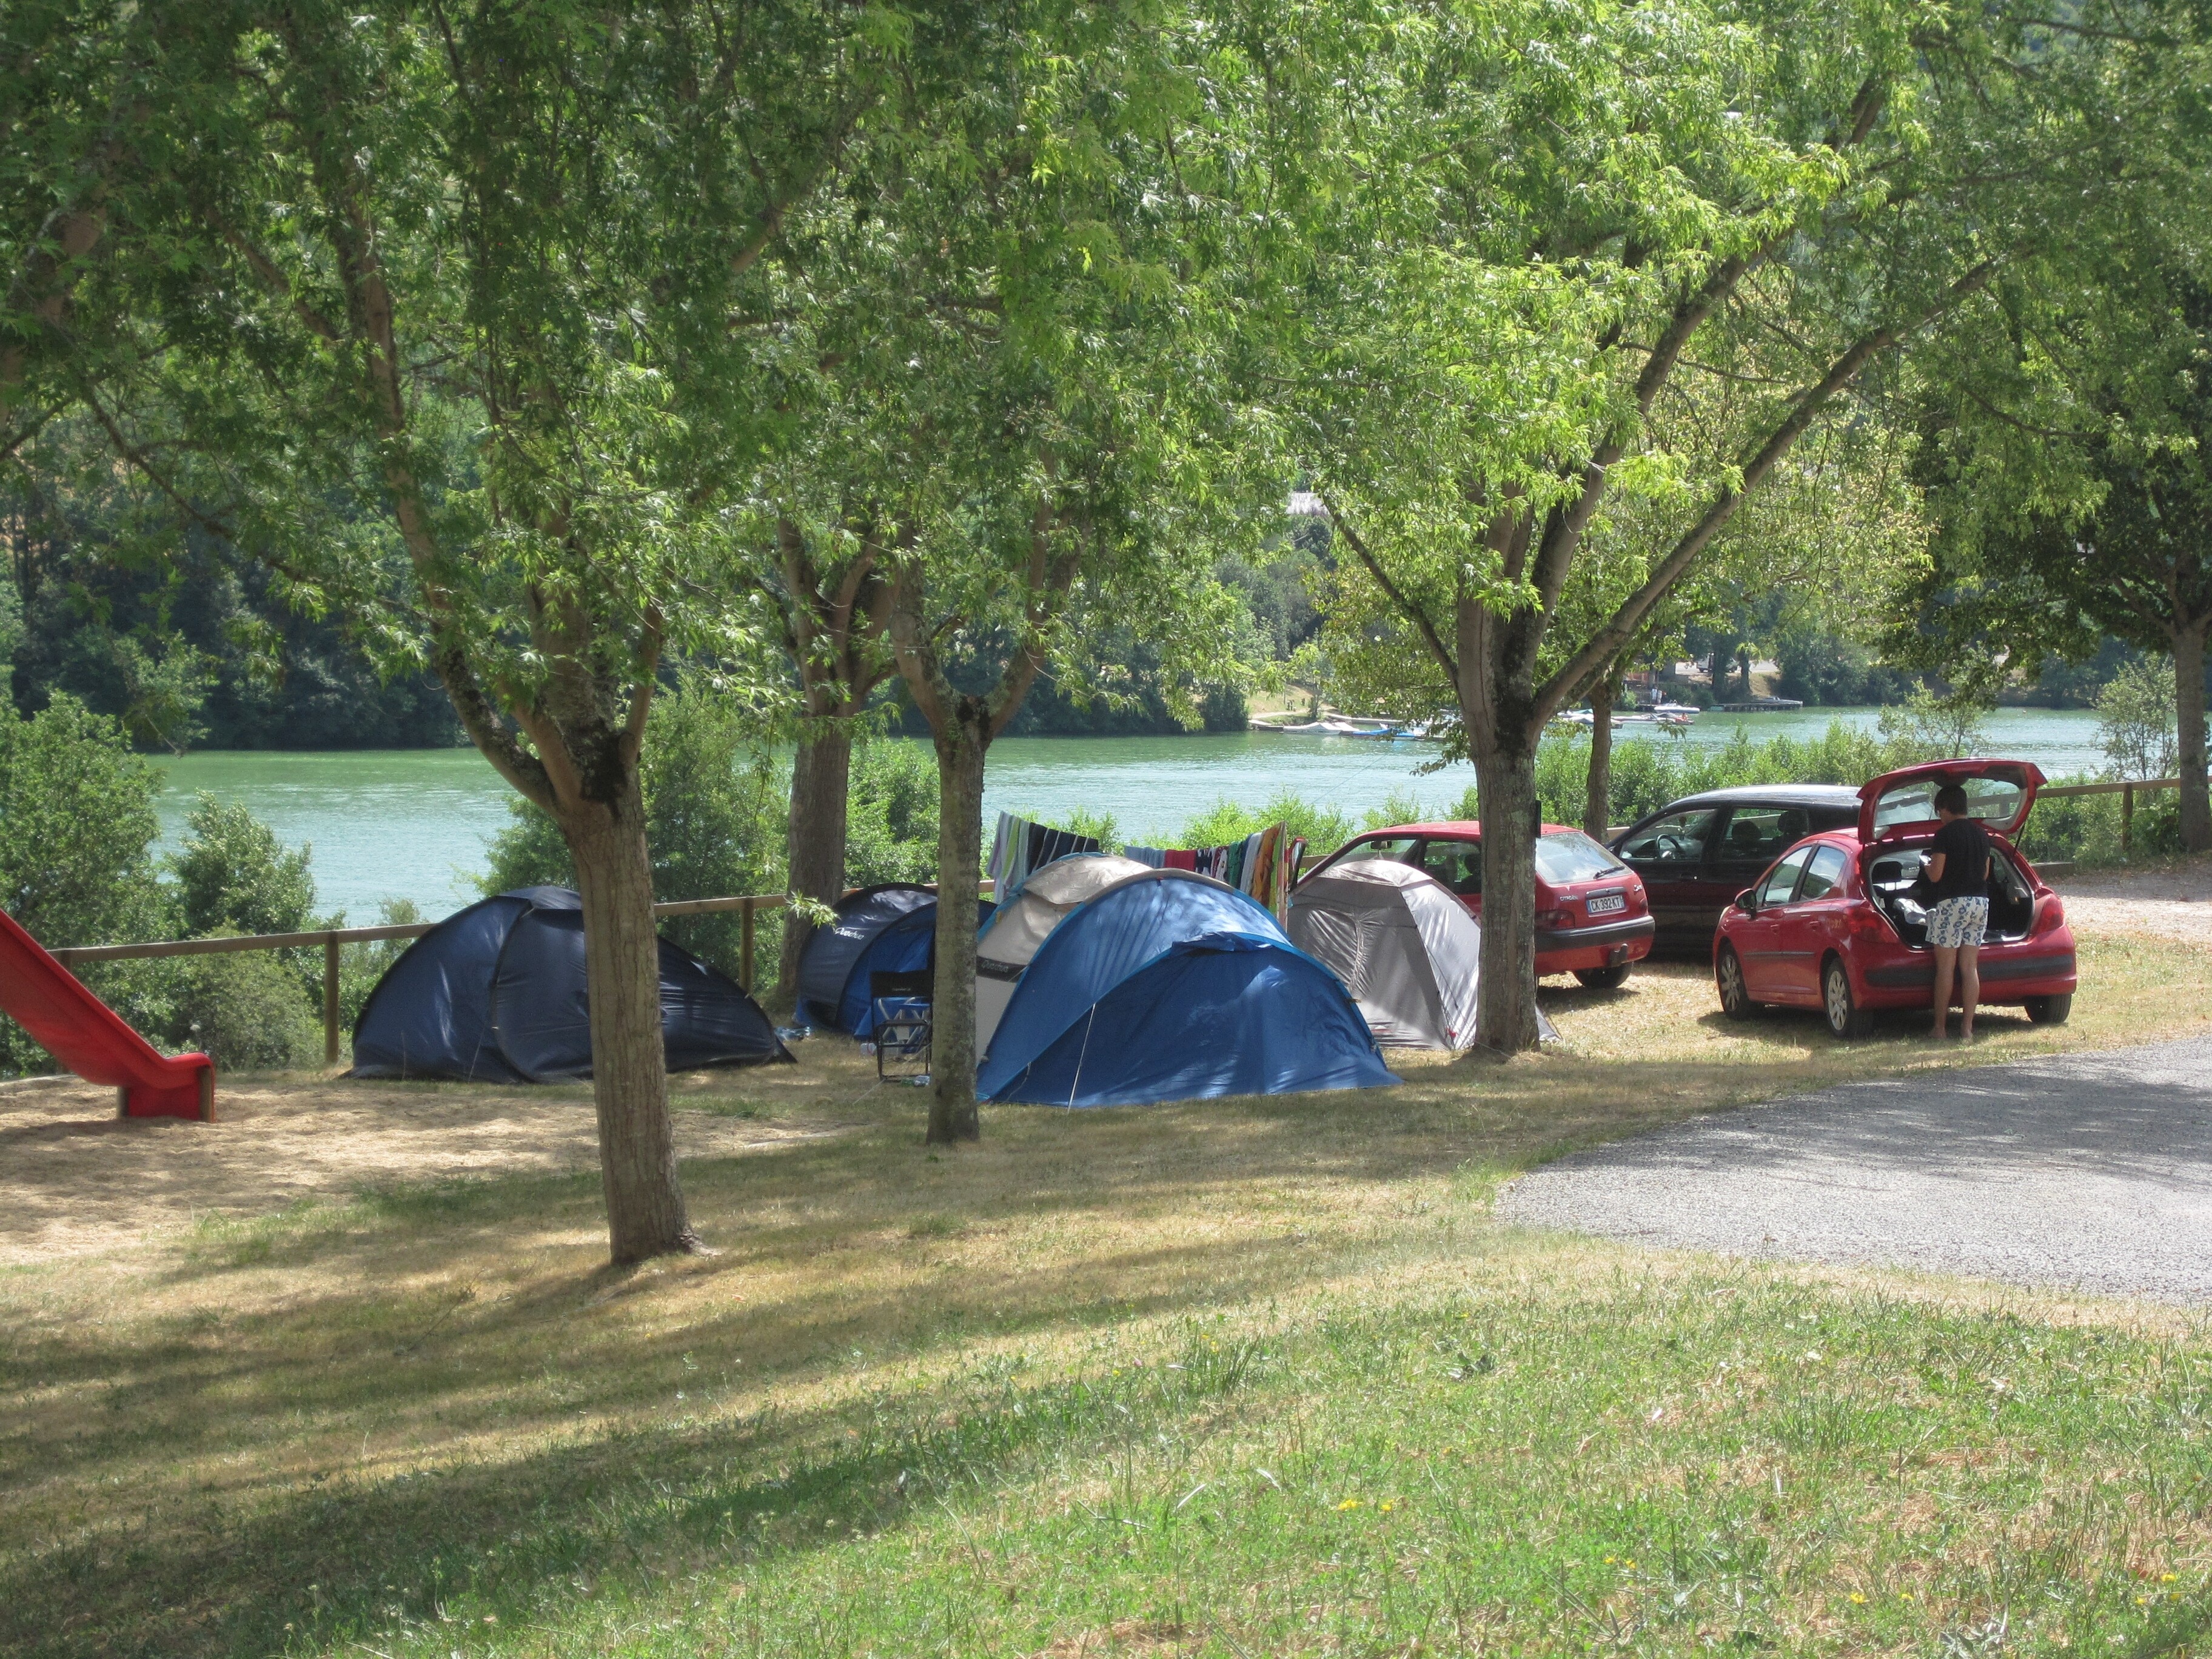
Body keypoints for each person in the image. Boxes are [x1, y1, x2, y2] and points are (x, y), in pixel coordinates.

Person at [1923, 783, 1991, 1039]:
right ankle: (1967, 1029)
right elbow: (1985, 873)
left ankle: (1939, 1028)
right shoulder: (1982, 835)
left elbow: (1937, 874)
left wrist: (1927, 866)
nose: (1939, 815)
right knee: (1970, 967)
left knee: (1945, 968)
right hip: (1980, 903)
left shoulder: (1944, 835)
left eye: (1938, 809)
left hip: (1951, 903)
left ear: (1946, 807)